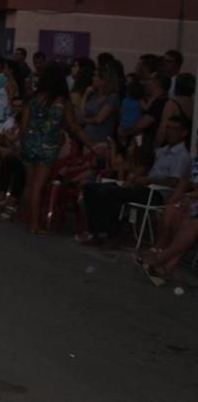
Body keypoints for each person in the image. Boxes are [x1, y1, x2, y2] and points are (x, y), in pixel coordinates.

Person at [82, 116, 192, 246]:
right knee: (90, 188)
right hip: (144, 187)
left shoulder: (182, 156)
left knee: (108, 192)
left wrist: (147, 179)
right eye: (168, 128)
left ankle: (112, 233)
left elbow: (175, 181)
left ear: (183, 133)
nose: (169, 131)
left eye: (174, 129)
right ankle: (95, 231)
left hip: (157, 193)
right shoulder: (162, 151)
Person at [19, 61, 98, 234]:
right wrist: (92, 145)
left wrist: (23, 141)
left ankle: (25, 217)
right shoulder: (63, 103)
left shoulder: (32, 99)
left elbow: (23, 126)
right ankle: (35, 223)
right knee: (39, 186)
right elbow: (74, 127)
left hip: (30, 143)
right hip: (49, 147)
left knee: (29, 184)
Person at [141, 156, 198, 285]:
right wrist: (174, 200)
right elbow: (184, 183)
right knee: (173, 211)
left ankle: (162, 260)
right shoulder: (195, 162)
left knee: (190, 225)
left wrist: (188, 196)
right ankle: (162, 258)